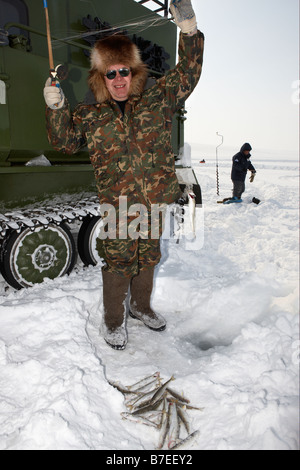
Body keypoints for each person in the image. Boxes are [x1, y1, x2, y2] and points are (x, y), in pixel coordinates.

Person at [43, 0, 204, 350]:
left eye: (124, 71)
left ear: (134, 71)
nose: (118, 79)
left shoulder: (158, 98)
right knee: (118, 261)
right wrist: (56, 108)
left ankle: (141, 306)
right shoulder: (91, 113)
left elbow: (188, 72)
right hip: (118, 206)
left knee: (148, 256)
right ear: (102, 76)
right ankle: (113, 321)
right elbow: (64, 143)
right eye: (111, 73)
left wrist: (189, 31)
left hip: (154, 201)